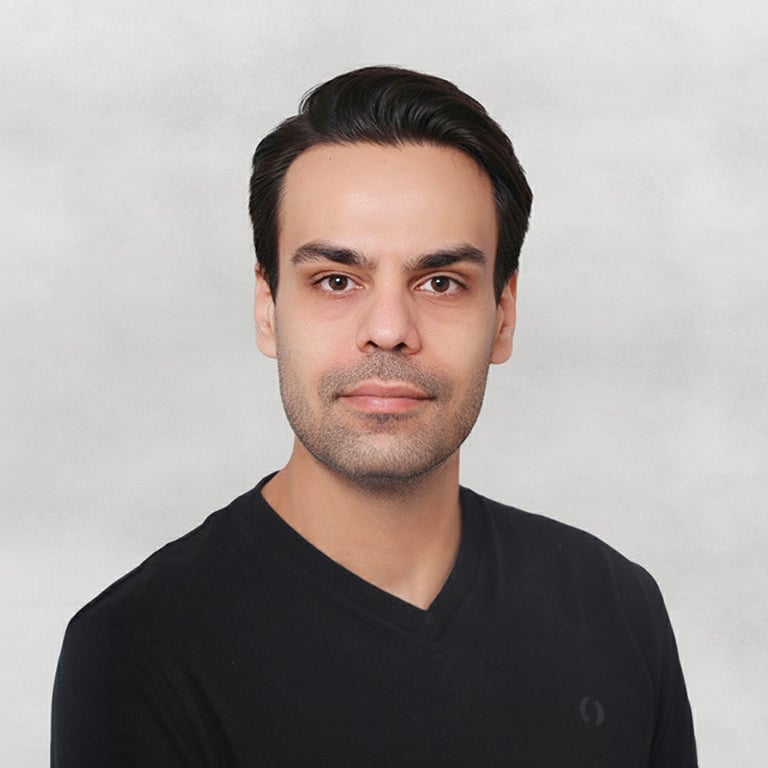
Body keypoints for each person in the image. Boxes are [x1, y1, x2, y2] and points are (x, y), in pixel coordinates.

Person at [51, 66, 698, 767]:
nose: (389, 329)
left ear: (503, 316)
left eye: (441, 282)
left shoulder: (614, 608)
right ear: (268, 309)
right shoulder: (141, 650)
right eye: (336, 280)